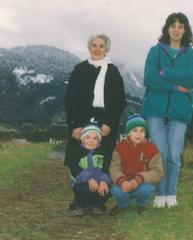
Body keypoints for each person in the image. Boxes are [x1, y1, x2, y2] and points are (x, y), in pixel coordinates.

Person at [141, 12, 193, 208]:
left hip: (179, 111)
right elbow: (149, 79)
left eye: (180, 26)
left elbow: (191, 79)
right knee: (159, 154)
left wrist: (166, 72)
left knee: (174, 154)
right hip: (156, 111)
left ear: (185, 30)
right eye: (173, 25)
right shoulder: (155, 51)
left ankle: (171, 193)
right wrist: (176, 86)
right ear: (167, 28)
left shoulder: (192, 55)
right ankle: (160, 194)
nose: (176, 29)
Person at [64, 33, 126, 210]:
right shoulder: (79, 70)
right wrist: (75, 125)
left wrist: (109, 123)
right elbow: (70, 100)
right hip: (81, 120)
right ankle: (80, 198)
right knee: (79, 160)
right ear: (89, 48)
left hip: (105, 121)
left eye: (101, 46)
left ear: (106, 49)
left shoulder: (112, 72)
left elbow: (119, 100)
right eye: (94, 45)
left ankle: (99, 200)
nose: (97, 49)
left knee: (104, 160)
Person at [108, 111, 164, 215]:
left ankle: (142, 204)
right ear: (128, 133)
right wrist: (122, 181)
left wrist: (139, 179)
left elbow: (158, 172)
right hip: (124, 183)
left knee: (146, 189)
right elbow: (114, 168)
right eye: (134, 130)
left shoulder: (152, 149)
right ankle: (122, 204)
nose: (139, 134)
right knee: (117, 191)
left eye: (142, 131)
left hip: (142, 183)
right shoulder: (120, 147)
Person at [68, 119, 112, 216]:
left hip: (98, 181)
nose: (91, 141)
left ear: (99, 140)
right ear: (82, 139)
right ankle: (80, 204)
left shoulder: (102, 152)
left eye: (95, 138)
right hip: (82, 183)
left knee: (107, 189)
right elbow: (74, 168)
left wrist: (104, 180)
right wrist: (89, 178)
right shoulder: (76, 152)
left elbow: (107, 167)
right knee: (86, 189)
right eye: (87, 138)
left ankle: (97, 204)